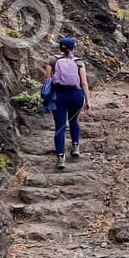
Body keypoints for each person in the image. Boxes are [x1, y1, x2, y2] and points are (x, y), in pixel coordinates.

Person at [46, 36, 91, 169]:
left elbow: (48, 80)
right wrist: (87, 100)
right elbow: (83, 83)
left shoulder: (53, 60)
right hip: (76, 95)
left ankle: (61, 157)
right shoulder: (79, 62)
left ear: (60, 47)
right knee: (73, 120)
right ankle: (76, 146)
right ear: (73, 48)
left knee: (59, 126)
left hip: (59, 96)